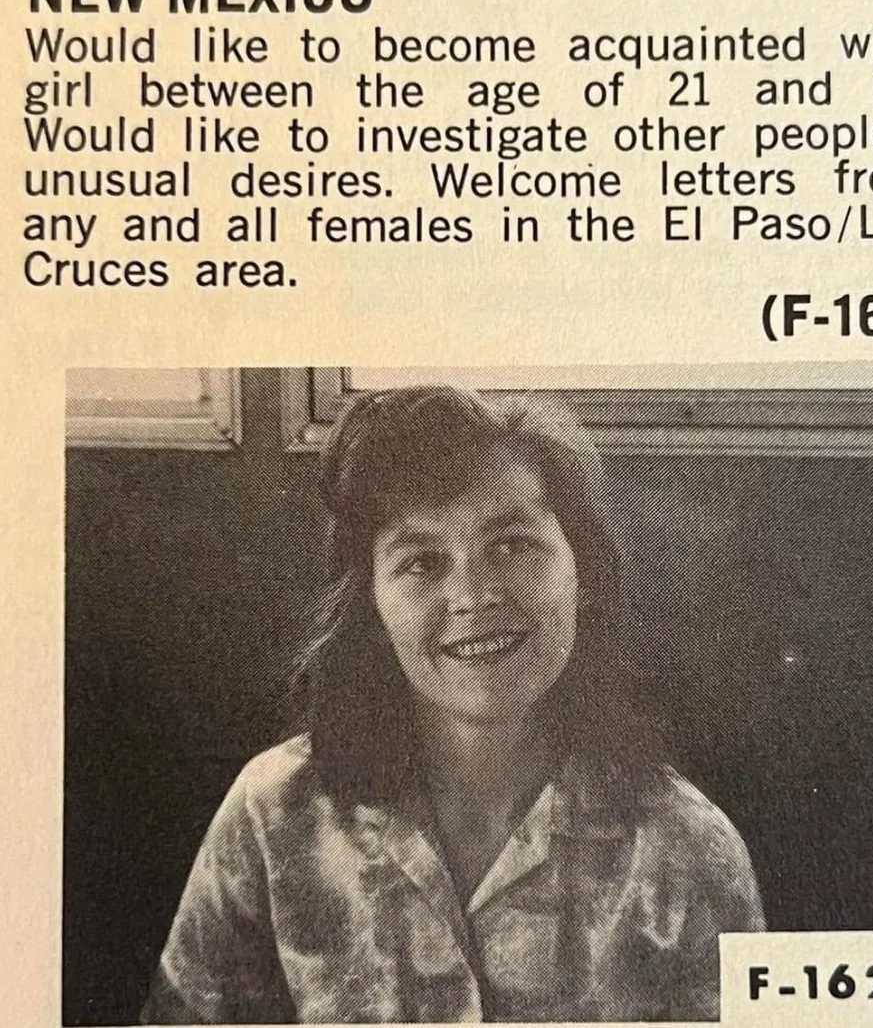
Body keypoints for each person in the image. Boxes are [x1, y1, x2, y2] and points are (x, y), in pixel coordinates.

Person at [143, 385, 764, 1024]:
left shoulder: (687, 848)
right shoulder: (273, 814)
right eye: (421, 562)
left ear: (582, 571)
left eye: (512, 544)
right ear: (374, 606)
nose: (472, 595)